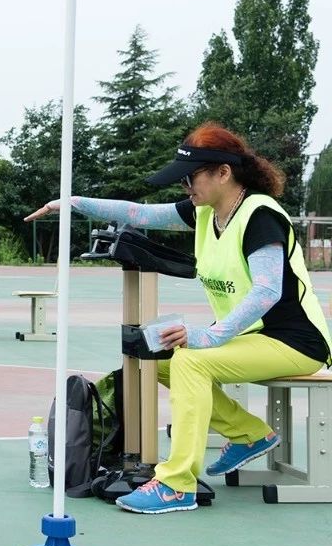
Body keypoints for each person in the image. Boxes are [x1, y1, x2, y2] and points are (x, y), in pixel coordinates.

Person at [27, 123, 331, 514]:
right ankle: (249, 434)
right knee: (158, 361)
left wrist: (209, 336)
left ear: (223, 173)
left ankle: (177, 484)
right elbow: (139, 213)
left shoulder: (260, 215)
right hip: (251, 338)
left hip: (295, 341)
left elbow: (267, 291)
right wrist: (72, 203)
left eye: (191, 177)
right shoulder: (206, 212)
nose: (185, 186)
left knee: (189, 360)